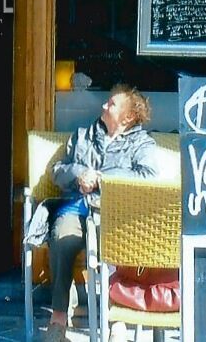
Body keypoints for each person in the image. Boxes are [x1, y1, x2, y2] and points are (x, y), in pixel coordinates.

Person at [39, 85, 161, 342]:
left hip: (115, 213)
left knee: (115, 248)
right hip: (78, 208)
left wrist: (101, 179)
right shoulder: (83, 135)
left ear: (128, 116)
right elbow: (57, 170)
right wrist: (79, 175)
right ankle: (58, 319)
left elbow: (148, 176)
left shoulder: (142, 143)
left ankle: (117, 321)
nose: (104, 106)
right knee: (62, 238)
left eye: (112, 104)